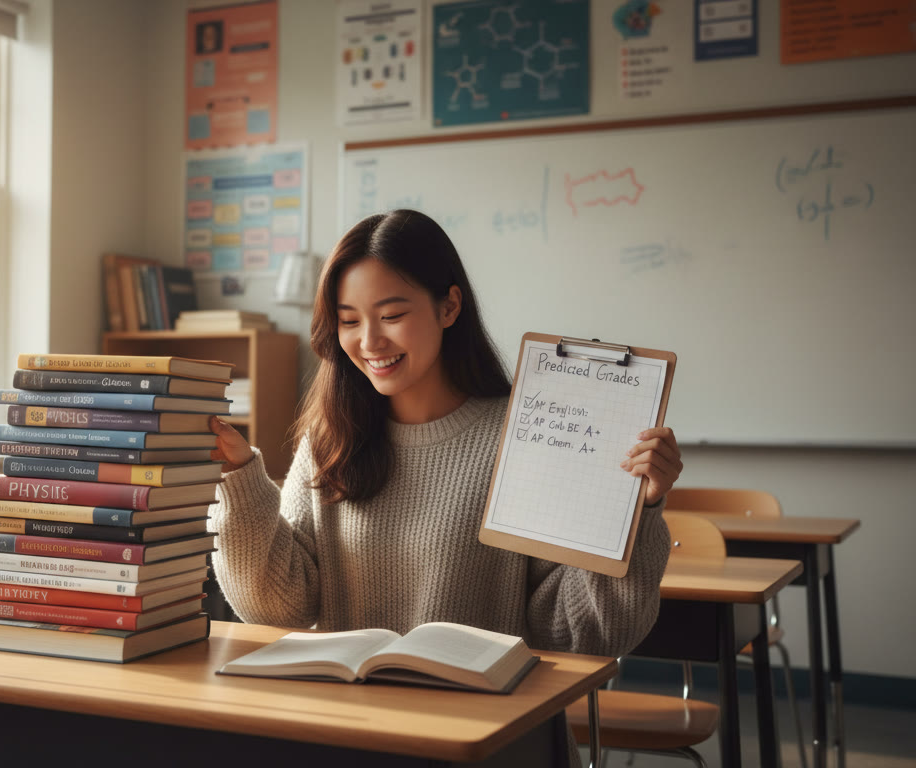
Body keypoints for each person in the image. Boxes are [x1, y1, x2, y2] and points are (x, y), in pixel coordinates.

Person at [208, 207, 681, 658]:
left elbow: (588, 635)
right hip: (354, 727)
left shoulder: (530, 436)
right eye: (349, 321)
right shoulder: (332, 439)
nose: (369, 341)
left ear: (449, 306)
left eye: (392, 316)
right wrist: (240, 476)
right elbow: (277, 608)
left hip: (486, 731)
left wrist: (634, 515)